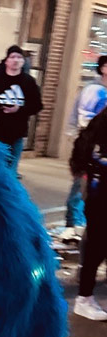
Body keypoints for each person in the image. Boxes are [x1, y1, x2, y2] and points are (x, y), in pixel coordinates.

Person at [59, 56, 107, 240]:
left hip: (103, 148)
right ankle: (72, 222)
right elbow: (77, 113)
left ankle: (86, 223)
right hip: (88, 144)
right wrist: (72, 133)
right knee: (80, 183)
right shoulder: (92, 90)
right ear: (102, 68)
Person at [69, 107, 107, 321]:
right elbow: (85, 149)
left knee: (98, 242)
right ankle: (84, 298)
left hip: (98, 189)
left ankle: (86, 297)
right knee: (97, 243)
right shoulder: (102, 122)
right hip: (100, 192)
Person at [0, 45, 42, 176]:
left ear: (23, 62)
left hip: (16, 132)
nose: (16, 60)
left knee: (11, 171)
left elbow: (37, 105)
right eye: (12, 57)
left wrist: (19, 109)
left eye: (19, 57)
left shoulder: (28, 82)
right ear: (6, 61)